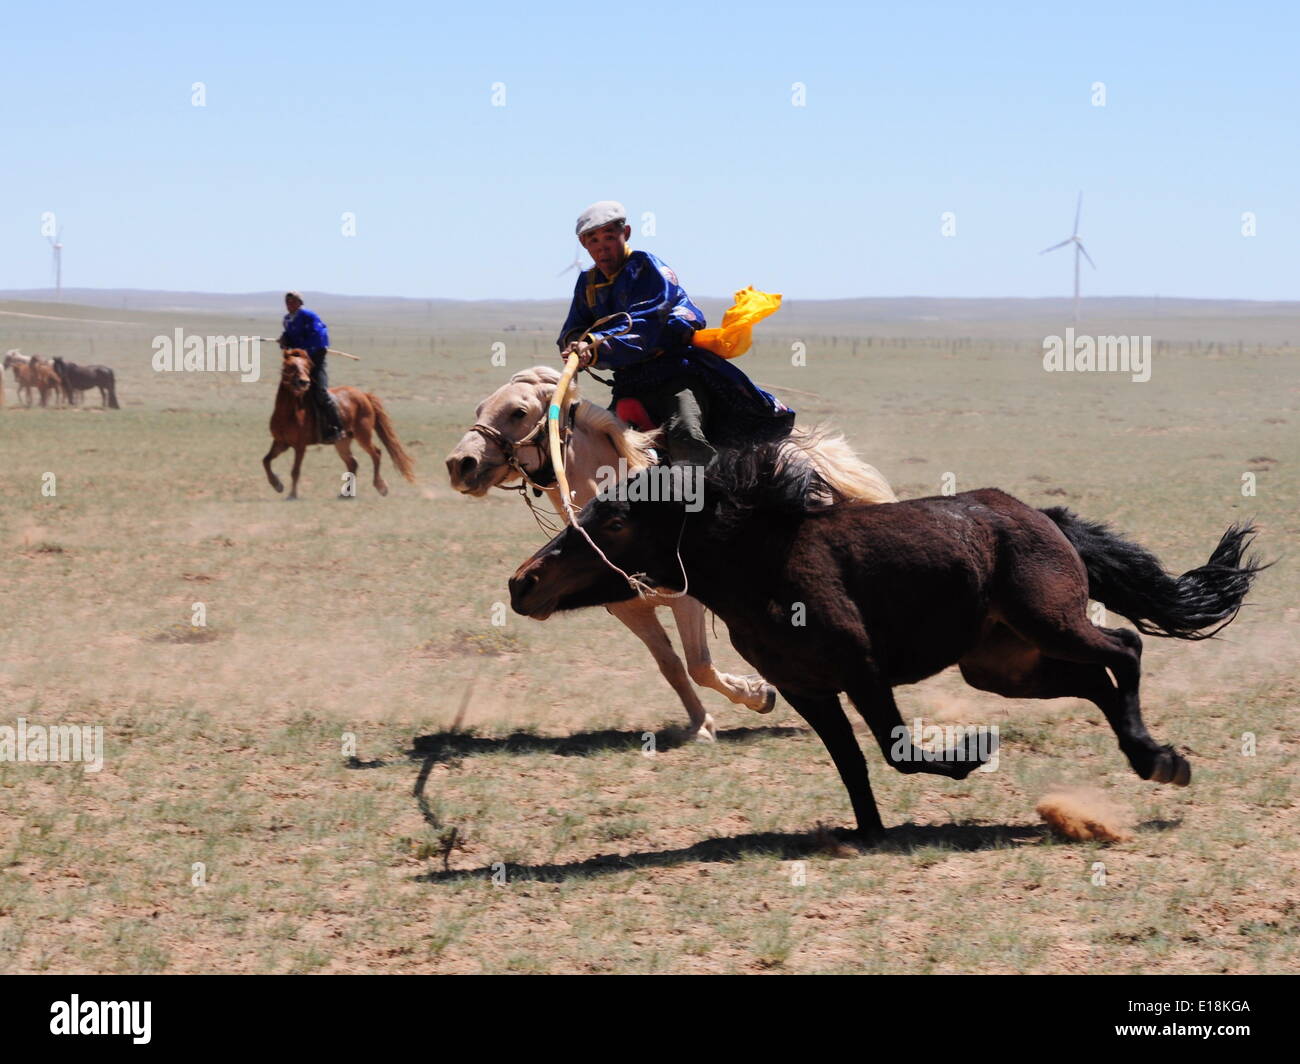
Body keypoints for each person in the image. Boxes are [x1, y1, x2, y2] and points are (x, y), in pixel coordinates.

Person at [558, 201, 794, 467]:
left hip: (674, 373)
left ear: (627, 233)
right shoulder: (587, 282)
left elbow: (646, 321)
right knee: (609, 447)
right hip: (630, 382)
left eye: (609, 237)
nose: (602, 246)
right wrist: (574, 344)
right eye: (593, 240)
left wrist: (595, 344)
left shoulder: (648, 269)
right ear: (583, 243)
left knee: (685, 433)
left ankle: (710, 501)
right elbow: (575, 326)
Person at [278, 291, 346, 443]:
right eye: (287, 302)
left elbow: (318, 339)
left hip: (315, 360)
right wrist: (284, 340)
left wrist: (300, 350)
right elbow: (290, 338)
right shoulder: (287, 320)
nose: (289, 305)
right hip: (299, 364)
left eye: (292, 302)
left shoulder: (310, 317)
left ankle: (337, 427)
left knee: (320, 392)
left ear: (300, 303)